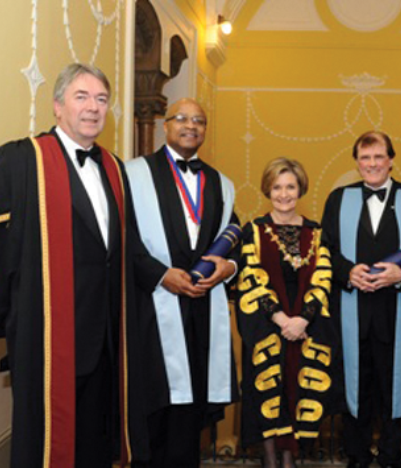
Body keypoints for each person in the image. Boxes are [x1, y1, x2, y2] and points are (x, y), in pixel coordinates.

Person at [0, 63, 166, 467]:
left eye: (101, 99)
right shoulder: (22, 162)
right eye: (82, 97)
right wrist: (24, 306)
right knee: (46, 446)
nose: (93, 107)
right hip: (49, 335)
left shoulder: (114, 168)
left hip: (107, 339)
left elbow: (121, 249)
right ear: (58, 106)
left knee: (95, 446)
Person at [126, 98, 240, 468]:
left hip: (201, 312)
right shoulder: (133, 175)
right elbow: (122, 238)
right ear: (166, 125)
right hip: (152, 309)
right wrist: (161, 274)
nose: (191, 126)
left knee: (190, 416)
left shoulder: (220, 184)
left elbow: (235, 237)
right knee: (153, 408)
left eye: (199, 121)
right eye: (182, 118)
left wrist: (228, 267)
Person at [321, 131, 401, 468]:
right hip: (351, 312)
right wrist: (347, 272)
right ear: (357, 163)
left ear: (391, 160)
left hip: (398, 313)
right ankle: (356, 456)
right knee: (355, 387)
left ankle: (391, 455)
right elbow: (325, 251)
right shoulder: (338, 200)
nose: (372, 164)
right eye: (365, 157)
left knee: (395, 389)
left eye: (378, 156)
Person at [236, 157, 336, 468]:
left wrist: (302, 319)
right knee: (268, 390)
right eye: (277, 187)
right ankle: (269, 459)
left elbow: (323, 278)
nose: (283, 194)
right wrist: (281, 320)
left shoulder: (316, 232)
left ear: (300, 189)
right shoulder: (253, 230)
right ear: (267, 189)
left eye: (290, 187)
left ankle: (290, 458)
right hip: (266, 325)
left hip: (305, 326)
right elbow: (251, 279)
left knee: (298, 388)